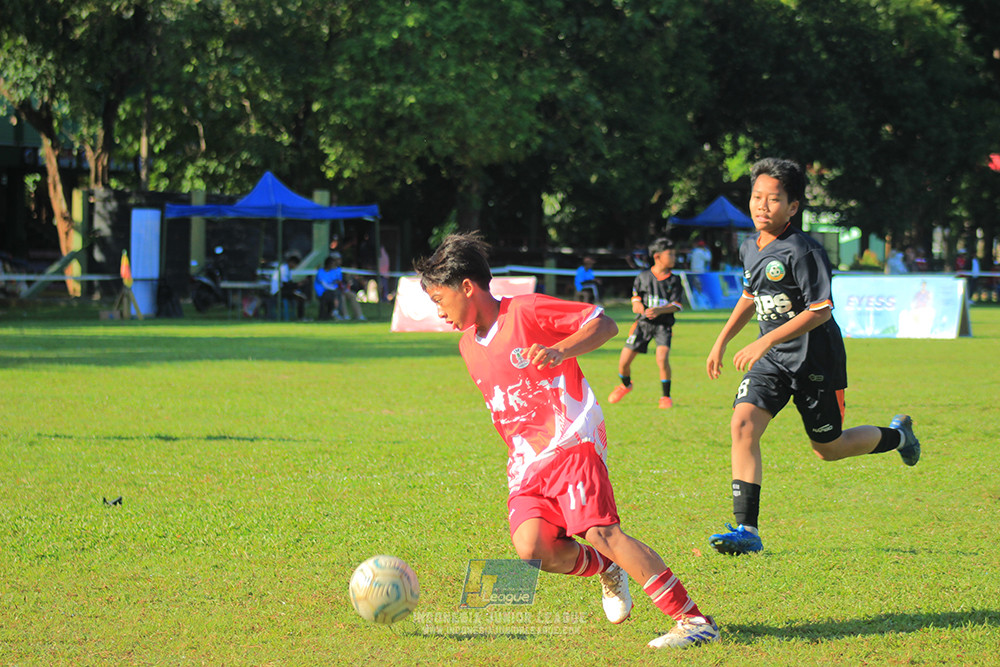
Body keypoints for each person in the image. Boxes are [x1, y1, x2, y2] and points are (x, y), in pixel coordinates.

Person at [414, 233, 718, 649]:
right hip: (525, 463)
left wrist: (561, 351)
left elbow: (603, 323)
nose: (439, 311)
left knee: (600, 531)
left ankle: (693, 620)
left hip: (571, 438)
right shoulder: (468, 346)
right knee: (532, 548)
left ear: (466, 286)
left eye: (439, 299)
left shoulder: (525, 310)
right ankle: (607, 569)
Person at [704, 158, 922, 556]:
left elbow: (820, 309)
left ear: (793, 207)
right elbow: (750, 297)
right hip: (772, 363)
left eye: (773, 199)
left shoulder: (805, 251)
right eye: (756, 197)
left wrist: (763, 342)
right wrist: (722, 340)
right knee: (742, 425)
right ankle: (746, 529)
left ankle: (899, 436)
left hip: (815, 362)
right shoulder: (749, 245)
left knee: (829, 448)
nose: (762, 206)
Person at [607, 238, 684, 409]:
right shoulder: (643, 277)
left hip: (663, 326)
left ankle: (665, 397)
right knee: (623, 363)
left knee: (662, 358)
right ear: (657, 256)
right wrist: (638, 305)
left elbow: (677, 305)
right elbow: (636, 298)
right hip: (642, 325)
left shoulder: (674, 280)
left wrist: (659, 310)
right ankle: (625, 385)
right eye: (670, 254)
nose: (673, 258)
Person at [314, 256, 343, 320]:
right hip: (321, 292)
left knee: (337, 294)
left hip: (330, 292)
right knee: (334, 295)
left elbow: (334, 282)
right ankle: (334, 312)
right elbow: (324, 285)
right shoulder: (321, 272)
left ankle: (334, 313)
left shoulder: (332, 272)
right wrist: (334, 288)